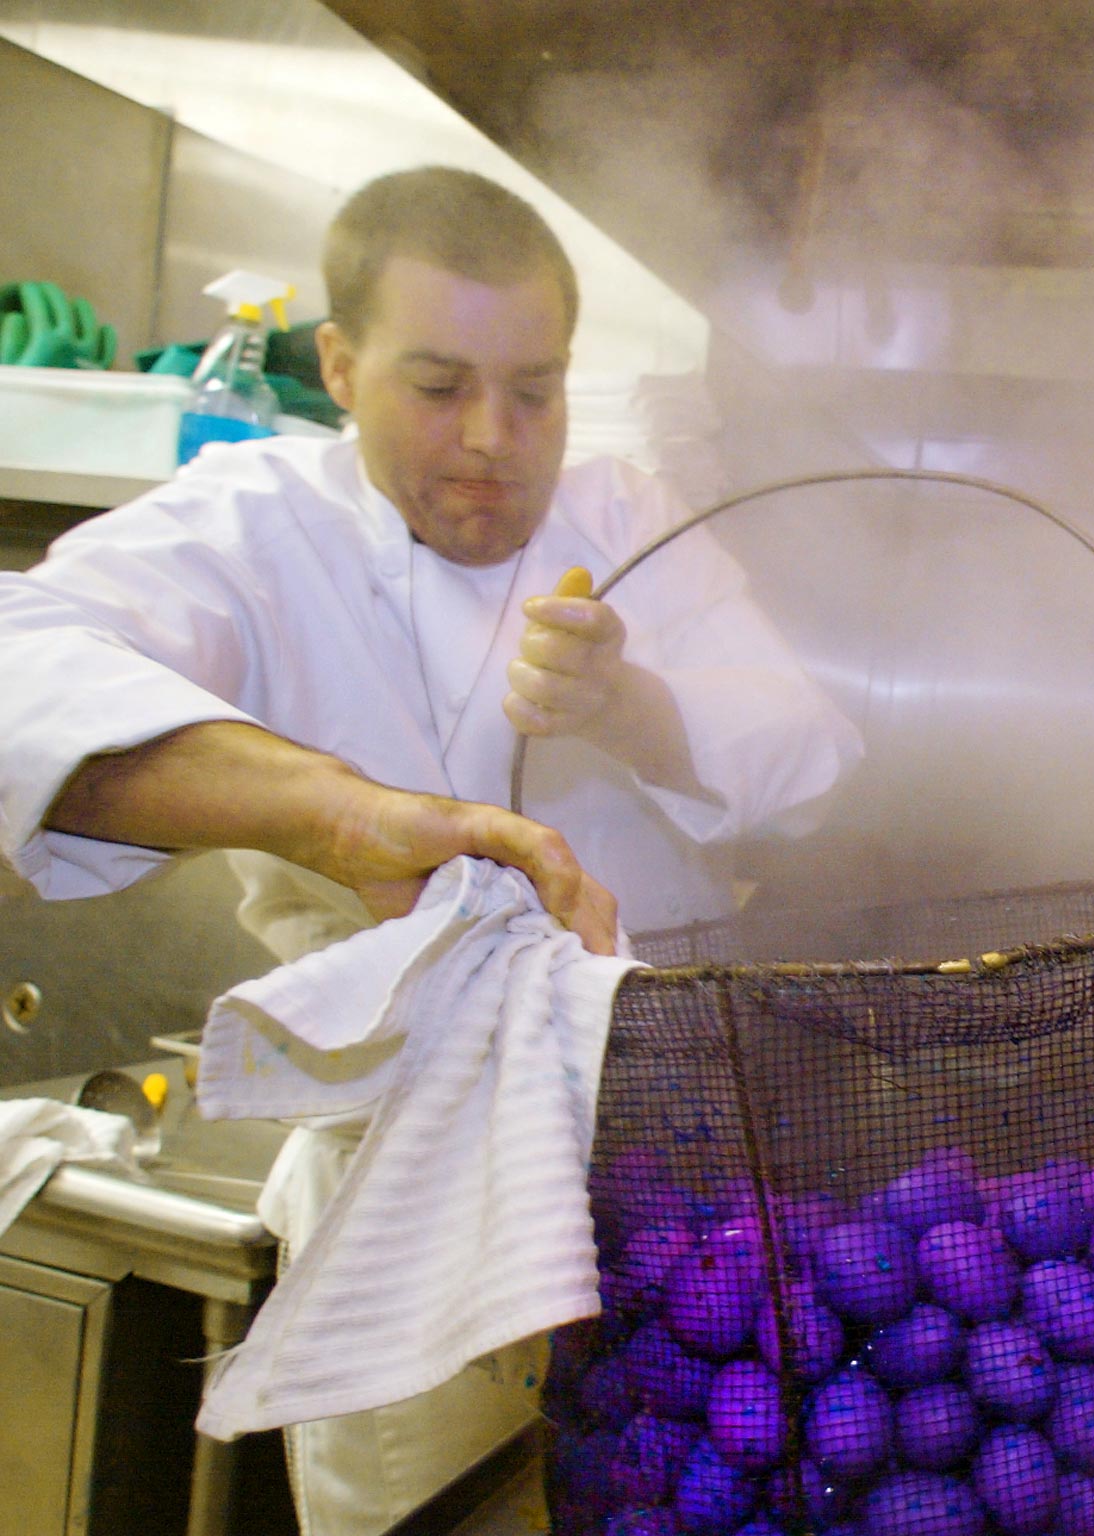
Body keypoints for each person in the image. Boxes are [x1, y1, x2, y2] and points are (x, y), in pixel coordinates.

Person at [0, 166, 861, 1536]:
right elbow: (17, 666)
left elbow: (812, 766)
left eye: (536, 389)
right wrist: (332, 813)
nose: (494, 439)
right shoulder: (253, 525)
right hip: (406, 1196)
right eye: (439, 384)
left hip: (680, 1167)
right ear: (338, 364)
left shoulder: (625, 522)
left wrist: (633, 709)